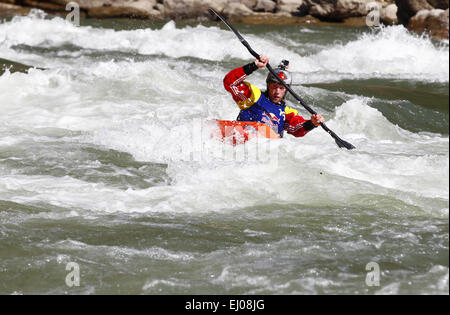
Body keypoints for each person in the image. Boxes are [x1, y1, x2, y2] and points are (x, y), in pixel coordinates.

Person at [223, 55, 325, 138]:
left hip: (266, 150)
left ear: (286, 90)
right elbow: (230, 83)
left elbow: (296, 129)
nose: (277, 92)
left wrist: (312, 123)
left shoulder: (287, 112)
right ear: (268, 85)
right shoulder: (253, 97)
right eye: (274, 87)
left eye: (281, 88)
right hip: (243, 139)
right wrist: (254, 66)